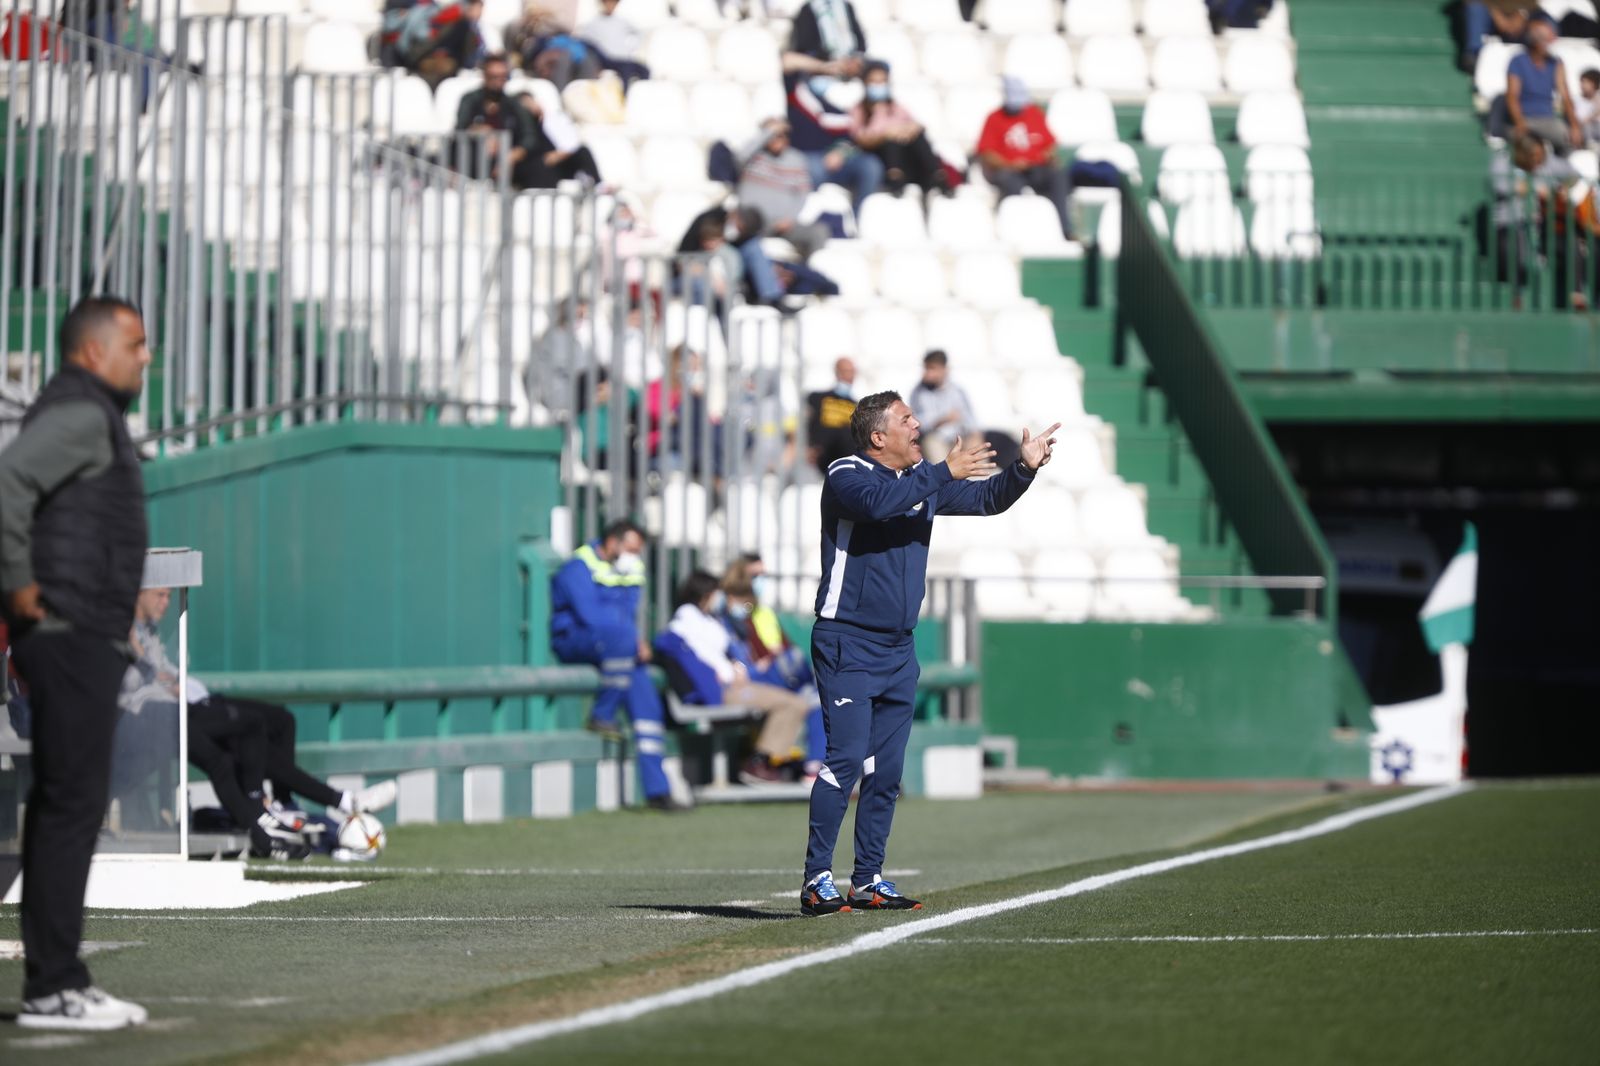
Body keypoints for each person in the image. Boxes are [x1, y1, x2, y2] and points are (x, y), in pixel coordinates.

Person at [799, 392, 1059, 916]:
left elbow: (987, 500)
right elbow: (876, 505)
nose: (918, 424)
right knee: (846, 759)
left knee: (887, 771)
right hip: (847, 641)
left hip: (898, 650)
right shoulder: (846, 474)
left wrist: (1023, 470)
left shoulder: (918, 483)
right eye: (906, 419)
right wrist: (942, 472)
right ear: (878, 438)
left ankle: (867, 879)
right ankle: (815, 880)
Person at [0, 296, 151, 1028]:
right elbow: (8, 482)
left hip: (76, 631)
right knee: (70, 807)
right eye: (135, 343)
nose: (144, 356)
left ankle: (57, 980)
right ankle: (54, 985)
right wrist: (19, 582)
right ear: (93, 351)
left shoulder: (87, 412)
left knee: (69, 804)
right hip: (67, 632)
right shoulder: (83, 415)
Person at [122, 588, 398, 842]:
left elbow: (169, 670)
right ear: (139, 593)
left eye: (169, 596)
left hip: (197, 698)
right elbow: (137, 681)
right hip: (171, 711)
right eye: (159, 595)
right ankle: (317, 803)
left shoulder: (151, 629)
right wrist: (161, 676)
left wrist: (170, 678)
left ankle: (284, 804)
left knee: (281, 720)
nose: (166, 603)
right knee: (249, 729)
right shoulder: (125, 631)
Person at [549, 520, 683, 811]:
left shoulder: (630, 569)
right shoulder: (578, 568)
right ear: (612, 542)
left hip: (619, 648)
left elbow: (629, 612)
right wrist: (632, 639)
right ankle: (602, 713)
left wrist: (634, 640)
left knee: (647, 706)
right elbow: (590, 616)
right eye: (630, 548)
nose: (634, 556)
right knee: (623, 639)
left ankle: (658, 791)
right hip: (576, 639)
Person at [656, 571, 812, 784]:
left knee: (797, 701)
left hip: (734, 683)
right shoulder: (687, 619)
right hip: (725, 689)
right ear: (705, 594)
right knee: (791, 704)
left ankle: (766, 760)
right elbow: (700, 657)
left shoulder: (707, 619)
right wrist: (729, 672)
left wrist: (734, 667)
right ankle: (759, 762)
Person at [720, 556, 825, 781]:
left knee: (818, 697)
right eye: (755, 575)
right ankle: (777, 762)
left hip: (772, 676)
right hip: (754, 680)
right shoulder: (728, 618)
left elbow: (784, 648)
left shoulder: (761, 612)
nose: (760, 581)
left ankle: (815, 765)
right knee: (808, 699)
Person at [977, 76, 1073, 239]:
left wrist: (1048, 156)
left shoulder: (1034, 113)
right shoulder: (994, 118)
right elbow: (986, 153)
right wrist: (1010, 164)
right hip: (1008, 170)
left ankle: (1064, 230)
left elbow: (1049, 144)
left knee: (1059, 176)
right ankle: (1013, 232)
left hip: (1035, 167)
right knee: (1010, 182)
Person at [849, 60, 951, 198]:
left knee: (917, 137)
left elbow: (917, 125)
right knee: (891, 142)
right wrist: (886, 134)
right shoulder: (858, 110)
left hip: (907, 158)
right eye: (874, 82)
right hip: (879, 159)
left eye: (882, 81)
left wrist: (905, 131)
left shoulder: (896, 107)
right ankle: (895, 177)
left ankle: (937, 176)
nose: (879, 86)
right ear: (865, 84)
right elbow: (860, 139)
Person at [737, 117, 833, 259]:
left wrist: (790, 218)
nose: (777, 138)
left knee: (820, 231)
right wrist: (769, 131)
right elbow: (740, 155)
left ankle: (810, 275)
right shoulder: (753, 156)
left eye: (782, 134)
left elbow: (802, 194)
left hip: (782, 224)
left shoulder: (797, 160)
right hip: (752, 222)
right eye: (772, 135)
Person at [454, 53, 538, 186]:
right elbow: (461, 128)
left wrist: (513, 155)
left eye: (503, 77)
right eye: (494, 77)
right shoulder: (470, 100)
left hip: (510, 164)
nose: (499, 81)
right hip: (475, 161)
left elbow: (529, 136)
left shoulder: (513, 104)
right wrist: (481, 132)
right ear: (485, 76)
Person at [1506, 20, 1582, 155]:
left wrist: (1574, 126)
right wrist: (1519, 122)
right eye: (1550, 38)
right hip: (1525, 118)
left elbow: (1565, 96)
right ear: (1537, 42)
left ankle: (1564, 171)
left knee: (1571, 140)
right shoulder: (1518, 61)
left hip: (1548, 119)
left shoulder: (1557, 64)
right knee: (1526, 146)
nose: (1554, 41)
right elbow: (1512, 96)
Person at [513, 90, 603, 187]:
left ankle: (598, 185)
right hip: (536, 166)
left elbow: (569, 144)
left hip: (555, 162)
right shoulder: (524, 128)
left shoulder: (550, 121)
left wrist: (560, 155)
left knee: (582, 151)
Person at [906, 350, 978, 464]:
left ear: (944, 369)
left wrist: (974, 435)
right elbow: (917, 423)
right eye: (927, 368)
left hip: (960, 438)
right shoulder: (918, 393)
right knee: (932, 445)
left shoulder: (957, 390)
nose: (928, 373)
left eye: (933, 368)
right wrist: (942, 420)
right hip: (935, 438)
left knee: (976, 443)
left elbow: (971, 420)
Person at [804, 356, 858, 474]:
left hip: (845, 456)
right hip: (822, 455)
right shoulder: (818, 398)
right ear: (837, 373)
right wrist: (810, 446)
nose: (850, 376)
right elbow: (805, 423)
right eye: (846, 371)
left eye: (852, 372)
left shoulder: (856, 406)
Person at [577, 0, 650, 86]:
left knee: (644, 70)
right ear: (602, 3)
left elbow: (639, 33)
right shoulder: (593, 24)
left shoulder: (622, 21)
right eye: (608, 2)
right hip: (607, 61)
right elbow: (587, 45)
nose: (611, 6)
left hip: (624, 59)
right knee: (626, 71)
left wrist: (631, 48)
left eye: (613, 3)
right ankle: (625, 97)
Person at [1575, 69, 1600, 145]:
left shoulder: (1597, 98)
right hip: (1583, 133)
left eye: (1585, 82)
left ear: (1594, 84)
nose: (1581, 85)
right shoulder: (1576, 100)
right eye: (1581, 82)